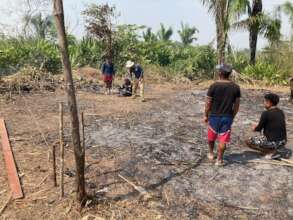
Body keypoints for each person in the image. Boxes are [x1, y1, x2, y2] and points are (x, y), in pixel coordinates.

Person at [204, 64, 241, 166]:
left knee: (211, 136)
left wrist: (206, 115)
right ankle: (219, 160)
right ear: (229, 74)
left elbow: (208, 103)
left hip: (214, 116)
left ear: (220, 73)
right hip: (227, 116)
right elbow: (237, 106)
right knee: (223, 139)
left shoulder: (213, 86)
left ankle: (211, 153)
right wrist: (232, 116)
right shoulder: (235, 87)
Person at [246, 93, 287, 159]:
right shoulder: (281, 112)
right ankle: (273, 149)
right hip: (283, 141)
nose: (263, 103)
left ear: (269, 102)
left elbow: (258, 128)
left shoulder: (266, 113)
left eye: (264, 101)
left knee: (248, 140)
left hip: (273, 142)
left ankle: (270, 151)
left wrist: (254, 128)